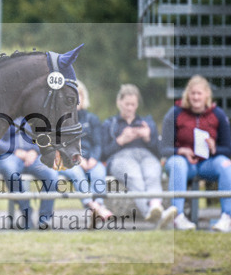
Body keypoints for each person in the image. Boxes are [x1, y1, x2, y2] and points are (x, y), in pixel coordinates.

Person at [160, 75, 231, 232]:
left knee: (226, 165)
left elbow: (228, 150)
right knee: (177, 163)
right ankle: (177, 216)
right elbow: (163, 148)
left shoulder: (218, 115)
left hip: (207, 163)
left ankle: (226, 218)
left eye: (199, 93)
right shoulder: (175, 113)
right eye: (192, 93)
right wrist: (180, 151)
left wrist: (214, 148)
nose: (195, 97)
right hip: (183, 163)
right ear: (187, 95)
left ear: (206, 95)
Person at [101, 84, 175, 228]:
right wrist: (120, 141)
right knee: (134, 176)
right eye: (127, 104)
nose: (129, 108)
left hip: (146, 155)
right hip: (120, 157)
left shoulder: (146, 122)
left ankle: (155, 206)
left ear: (137, 105)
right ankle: (155, 214)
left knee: (153, 173)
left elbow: (159, 151)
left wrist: (148, 137)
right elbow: (103, 154)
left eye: (133, 104)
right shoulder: (110, 124)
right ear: (119, 102)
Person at [0, 121, 60, 230]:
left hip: (34, 157)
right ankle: (26, 212)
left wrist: (35, 151)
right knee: (9, 170)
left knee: (51, 174)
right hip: (10, 156)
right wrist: (15, 151)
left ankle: (44, 219)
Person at [71, 81, 113, 220]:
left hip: (91, 160)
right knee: (76, 173)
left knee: (99, 171)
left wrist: (94, 159)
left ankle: (97, 204)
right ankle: (94, 207)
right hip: (69, 161)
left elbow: (98, 144)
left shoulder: (92, 119)